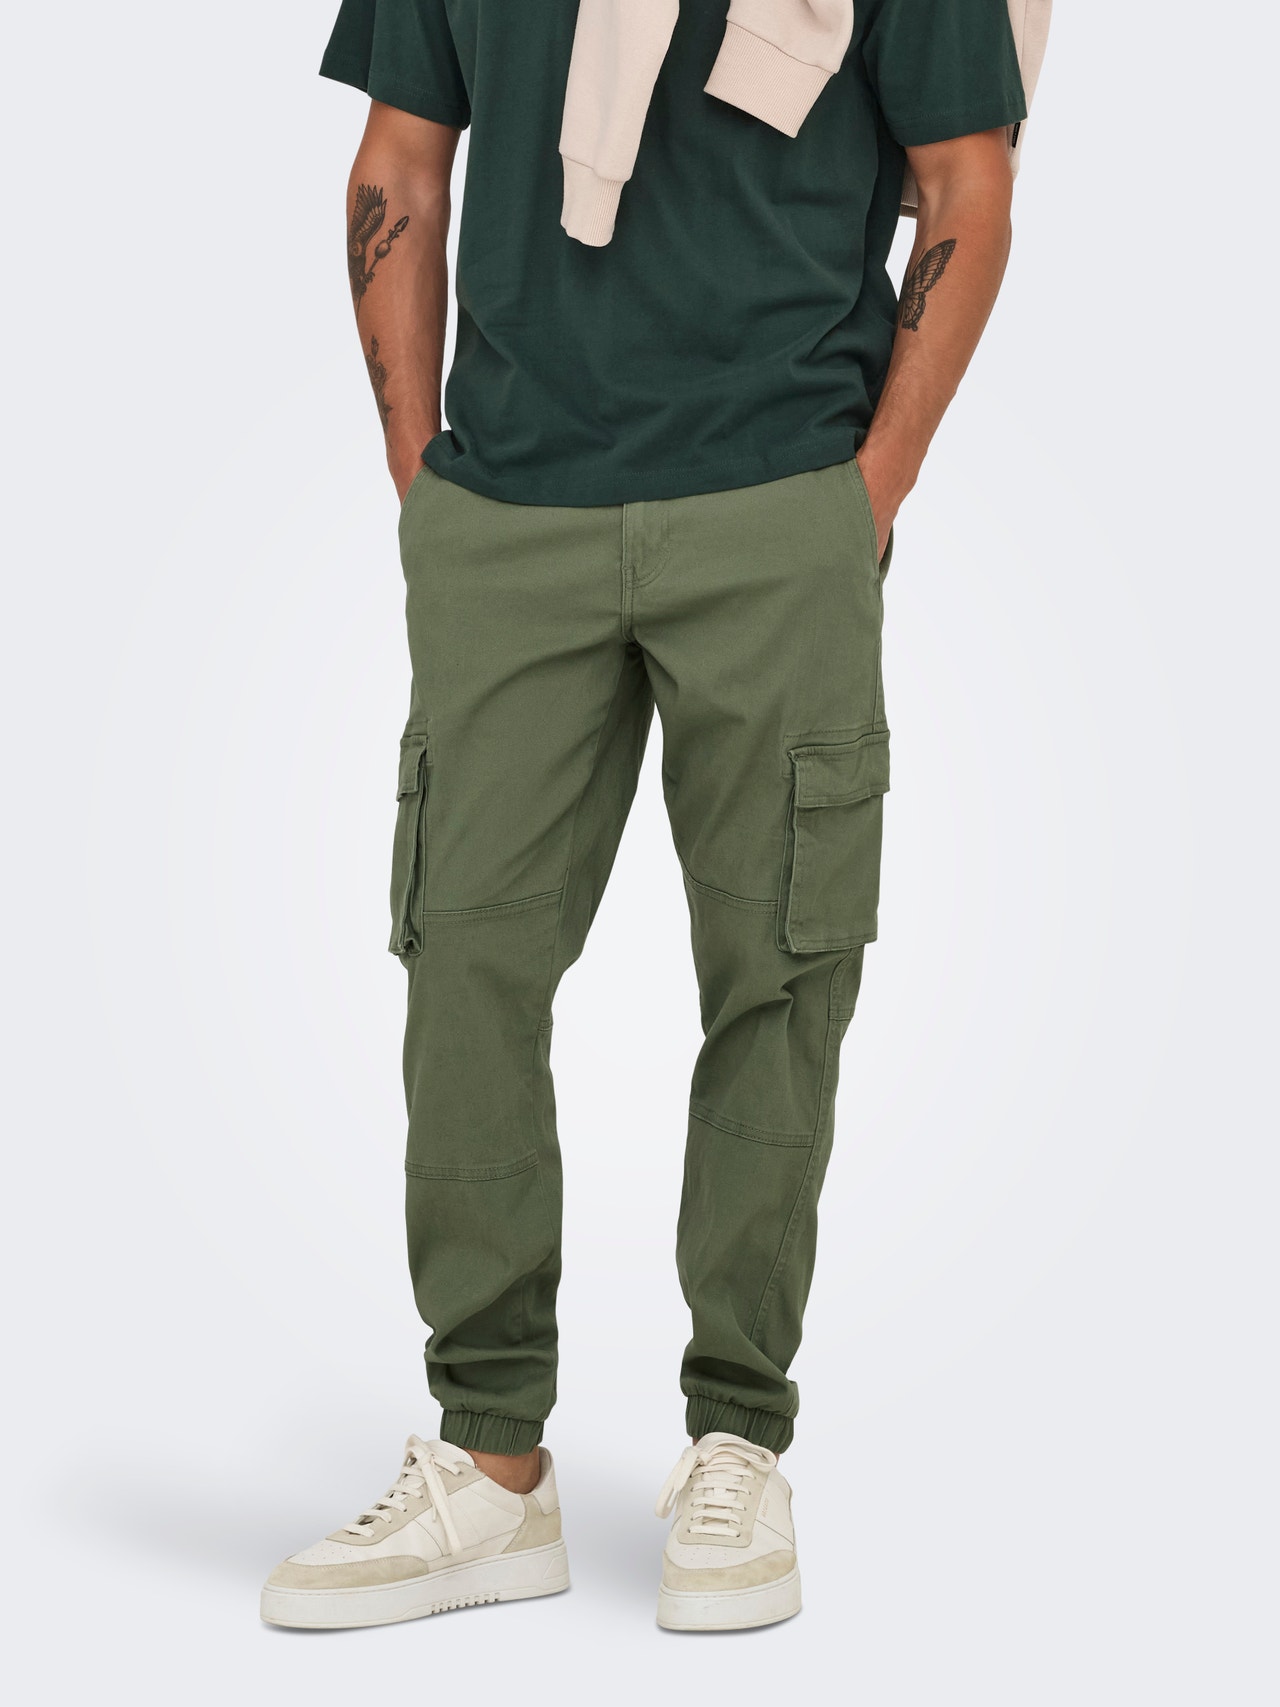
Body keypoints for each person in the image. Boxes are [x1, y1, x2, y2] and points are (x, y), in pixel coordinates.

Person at [261, 0, 1028, 1634]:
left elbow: (970, 177)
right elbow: (400, 154)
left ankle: (739, 1436)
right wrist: (421, 483)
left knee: (782, 970)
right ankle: (490, 1464)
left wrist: (868, 494)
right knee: (462, 960)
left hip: (778, 504)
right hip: (508, 511)